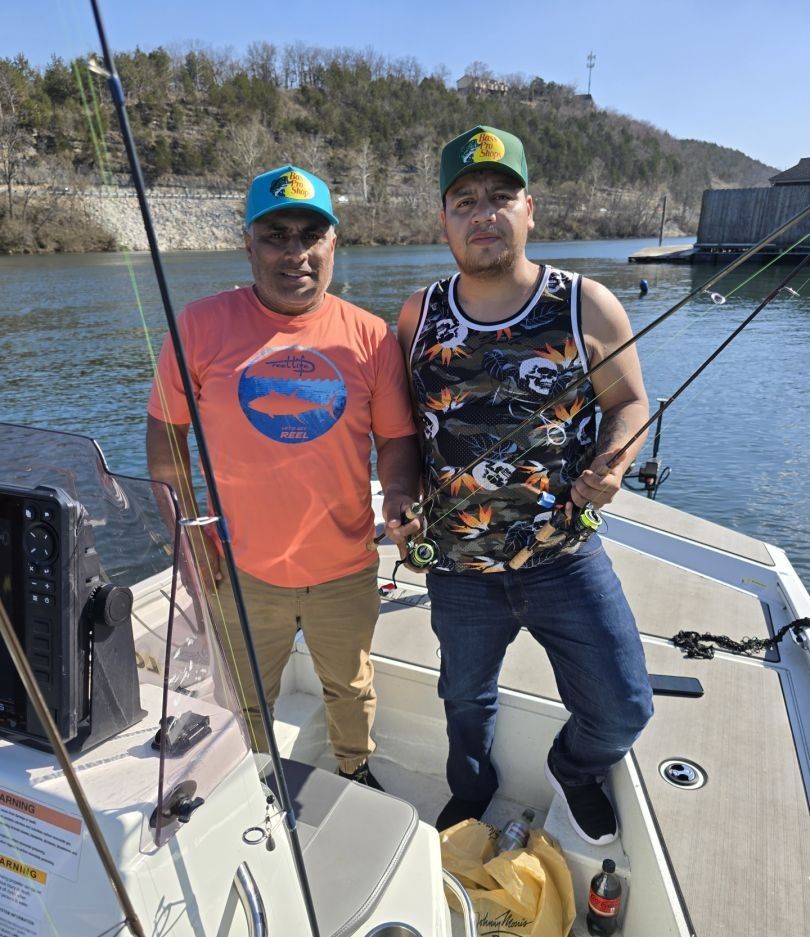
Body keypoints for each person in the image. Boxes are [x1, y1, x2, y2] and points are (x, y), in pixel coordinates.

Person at [394, 126, 654, 843]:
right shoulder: (417, 315)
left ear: (529, 209)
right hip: (457, 566)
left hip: (564, 554)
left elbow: (630, 402)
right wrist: (401, 497)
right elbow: (401, 430)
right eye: (465, 201)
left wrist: (613, 461)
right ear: (444, 220)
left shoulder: (587, 304)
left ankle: (574, 767)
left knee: (624, 706)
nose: (484, 213)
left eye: (500, 197)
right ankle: (472, 790)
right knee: (463, 699)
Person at [147, 165, 420, 788]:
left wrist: (400, 495)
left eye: (310, 234)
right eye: (276, 235)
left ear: (333, 243)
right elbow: (166, 437)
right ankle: (251, 777)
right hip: (239, 568)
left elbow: (395, 440)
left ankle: (354, 767)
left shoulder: (372, 337)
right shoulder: (197, 325)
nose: (295, 252)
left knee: (350, 683)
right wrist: (185, 534)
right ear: (248, 244)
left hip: (345, 564)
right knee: (243, 695)